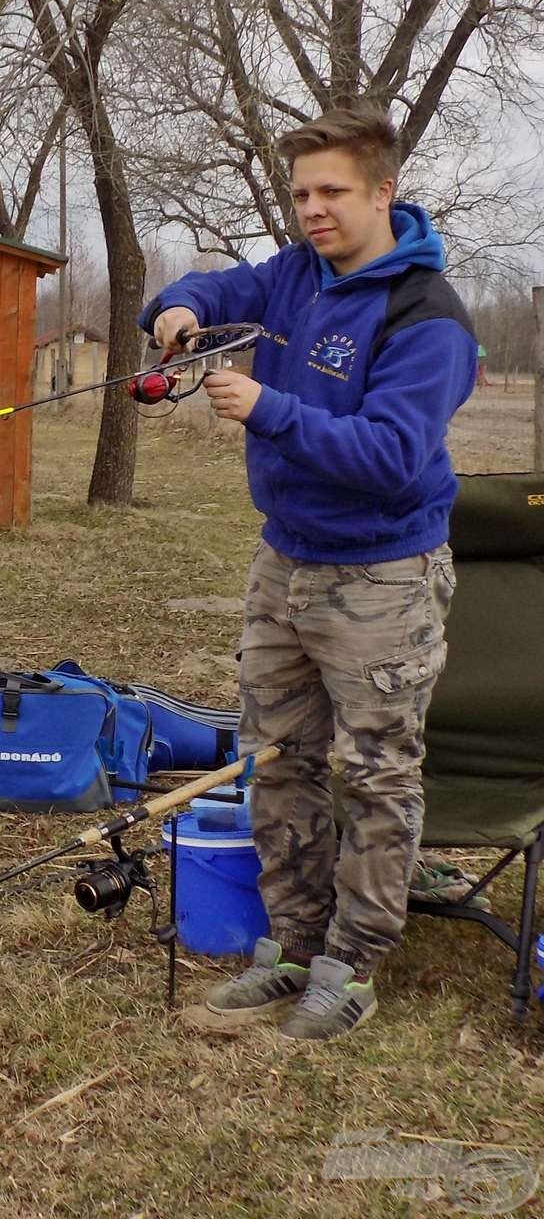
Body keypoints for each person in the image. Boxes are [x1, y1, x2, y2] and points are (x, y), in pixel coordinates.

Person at [139, 107, 477, 1042]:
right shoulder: (295, 274)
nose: (313, 210)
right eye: (300, 194)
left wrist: (268, 409)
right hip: (283, 562)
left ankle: (354, 963)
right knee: (276, 763)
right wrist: (180, 306)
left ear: (383, 192)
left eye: (332, 192)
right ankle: (290, 946)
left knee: (374, 775)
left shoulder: (427, 316)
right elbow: (216, 283)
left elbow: (394, 456)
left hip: (382, 579)